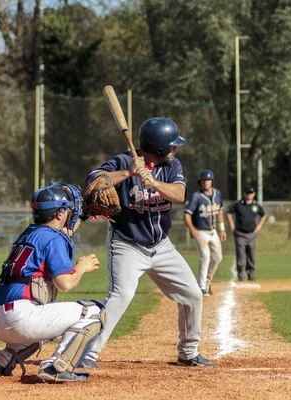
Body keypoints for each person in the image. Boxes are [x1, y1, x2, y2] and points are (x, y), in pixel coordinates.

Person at [80, 117, 215, 369]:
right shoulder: (122, 161)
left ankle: (188, 352)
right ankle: (87, 353)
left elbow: (179, 194)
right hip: (127, 244)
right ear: (159, 147)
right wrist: (128, 172)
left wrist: (152, 182)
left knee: (193, 294)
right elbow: (93, 180)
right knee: (121, 296)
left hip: (161, 246)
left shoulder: (171, 165)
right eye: (172, 145)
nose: (175, 149)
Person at [0, 182, 104, 382]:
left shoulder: (31, 233)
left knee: (41, 323)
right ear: (59, 214)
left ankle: (4, 359)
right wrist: (81, 267)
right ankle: (58, 366)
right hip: (19, 319)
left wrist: (83, 216)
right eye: (68, 209)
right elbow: (65, 284)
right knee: (94, 311)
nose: (71, 213)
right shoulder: (53, 239)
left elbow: (61, 234)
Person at [184, 170, 226, 297]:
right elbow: (187, 214)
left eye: (208, 180)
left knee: (218, 257)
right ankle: (201, 287)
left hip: (213, 231)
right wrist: (191, 229)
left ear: (212, 181)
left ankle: (207, 281)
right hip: (200, 231)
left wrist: (222, 229)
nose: (206, 182)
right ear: (200, 182)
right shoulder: (196, 196)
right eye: (203, 180)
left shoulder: (217, 194)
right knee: (205, 256)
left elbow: (220, 212)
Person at [227, 186, 266, 281]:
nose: (249, 195)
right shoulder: (238, 204)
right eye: (247, 193)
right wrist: (232, 225)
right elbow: (228, 213)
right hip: (240, 234)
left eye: (251, 193)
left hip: (252, 234)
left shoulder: (256, 205)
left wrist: (259, 226)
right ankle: (241, 275)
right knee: (240, 255)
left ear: (254, 194)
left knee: (251, 255)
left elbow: (263, 215)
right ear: (244, 193)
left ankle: (251, 274)